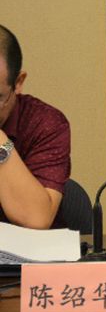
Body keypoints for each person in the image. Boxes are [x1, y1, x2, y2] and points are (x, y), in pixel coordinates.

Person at [0, 24, 70, 229]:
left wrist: (1, 143)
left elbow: (36, 219)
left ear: (18, 82)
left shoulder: (46, 124)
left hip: (26, 248)